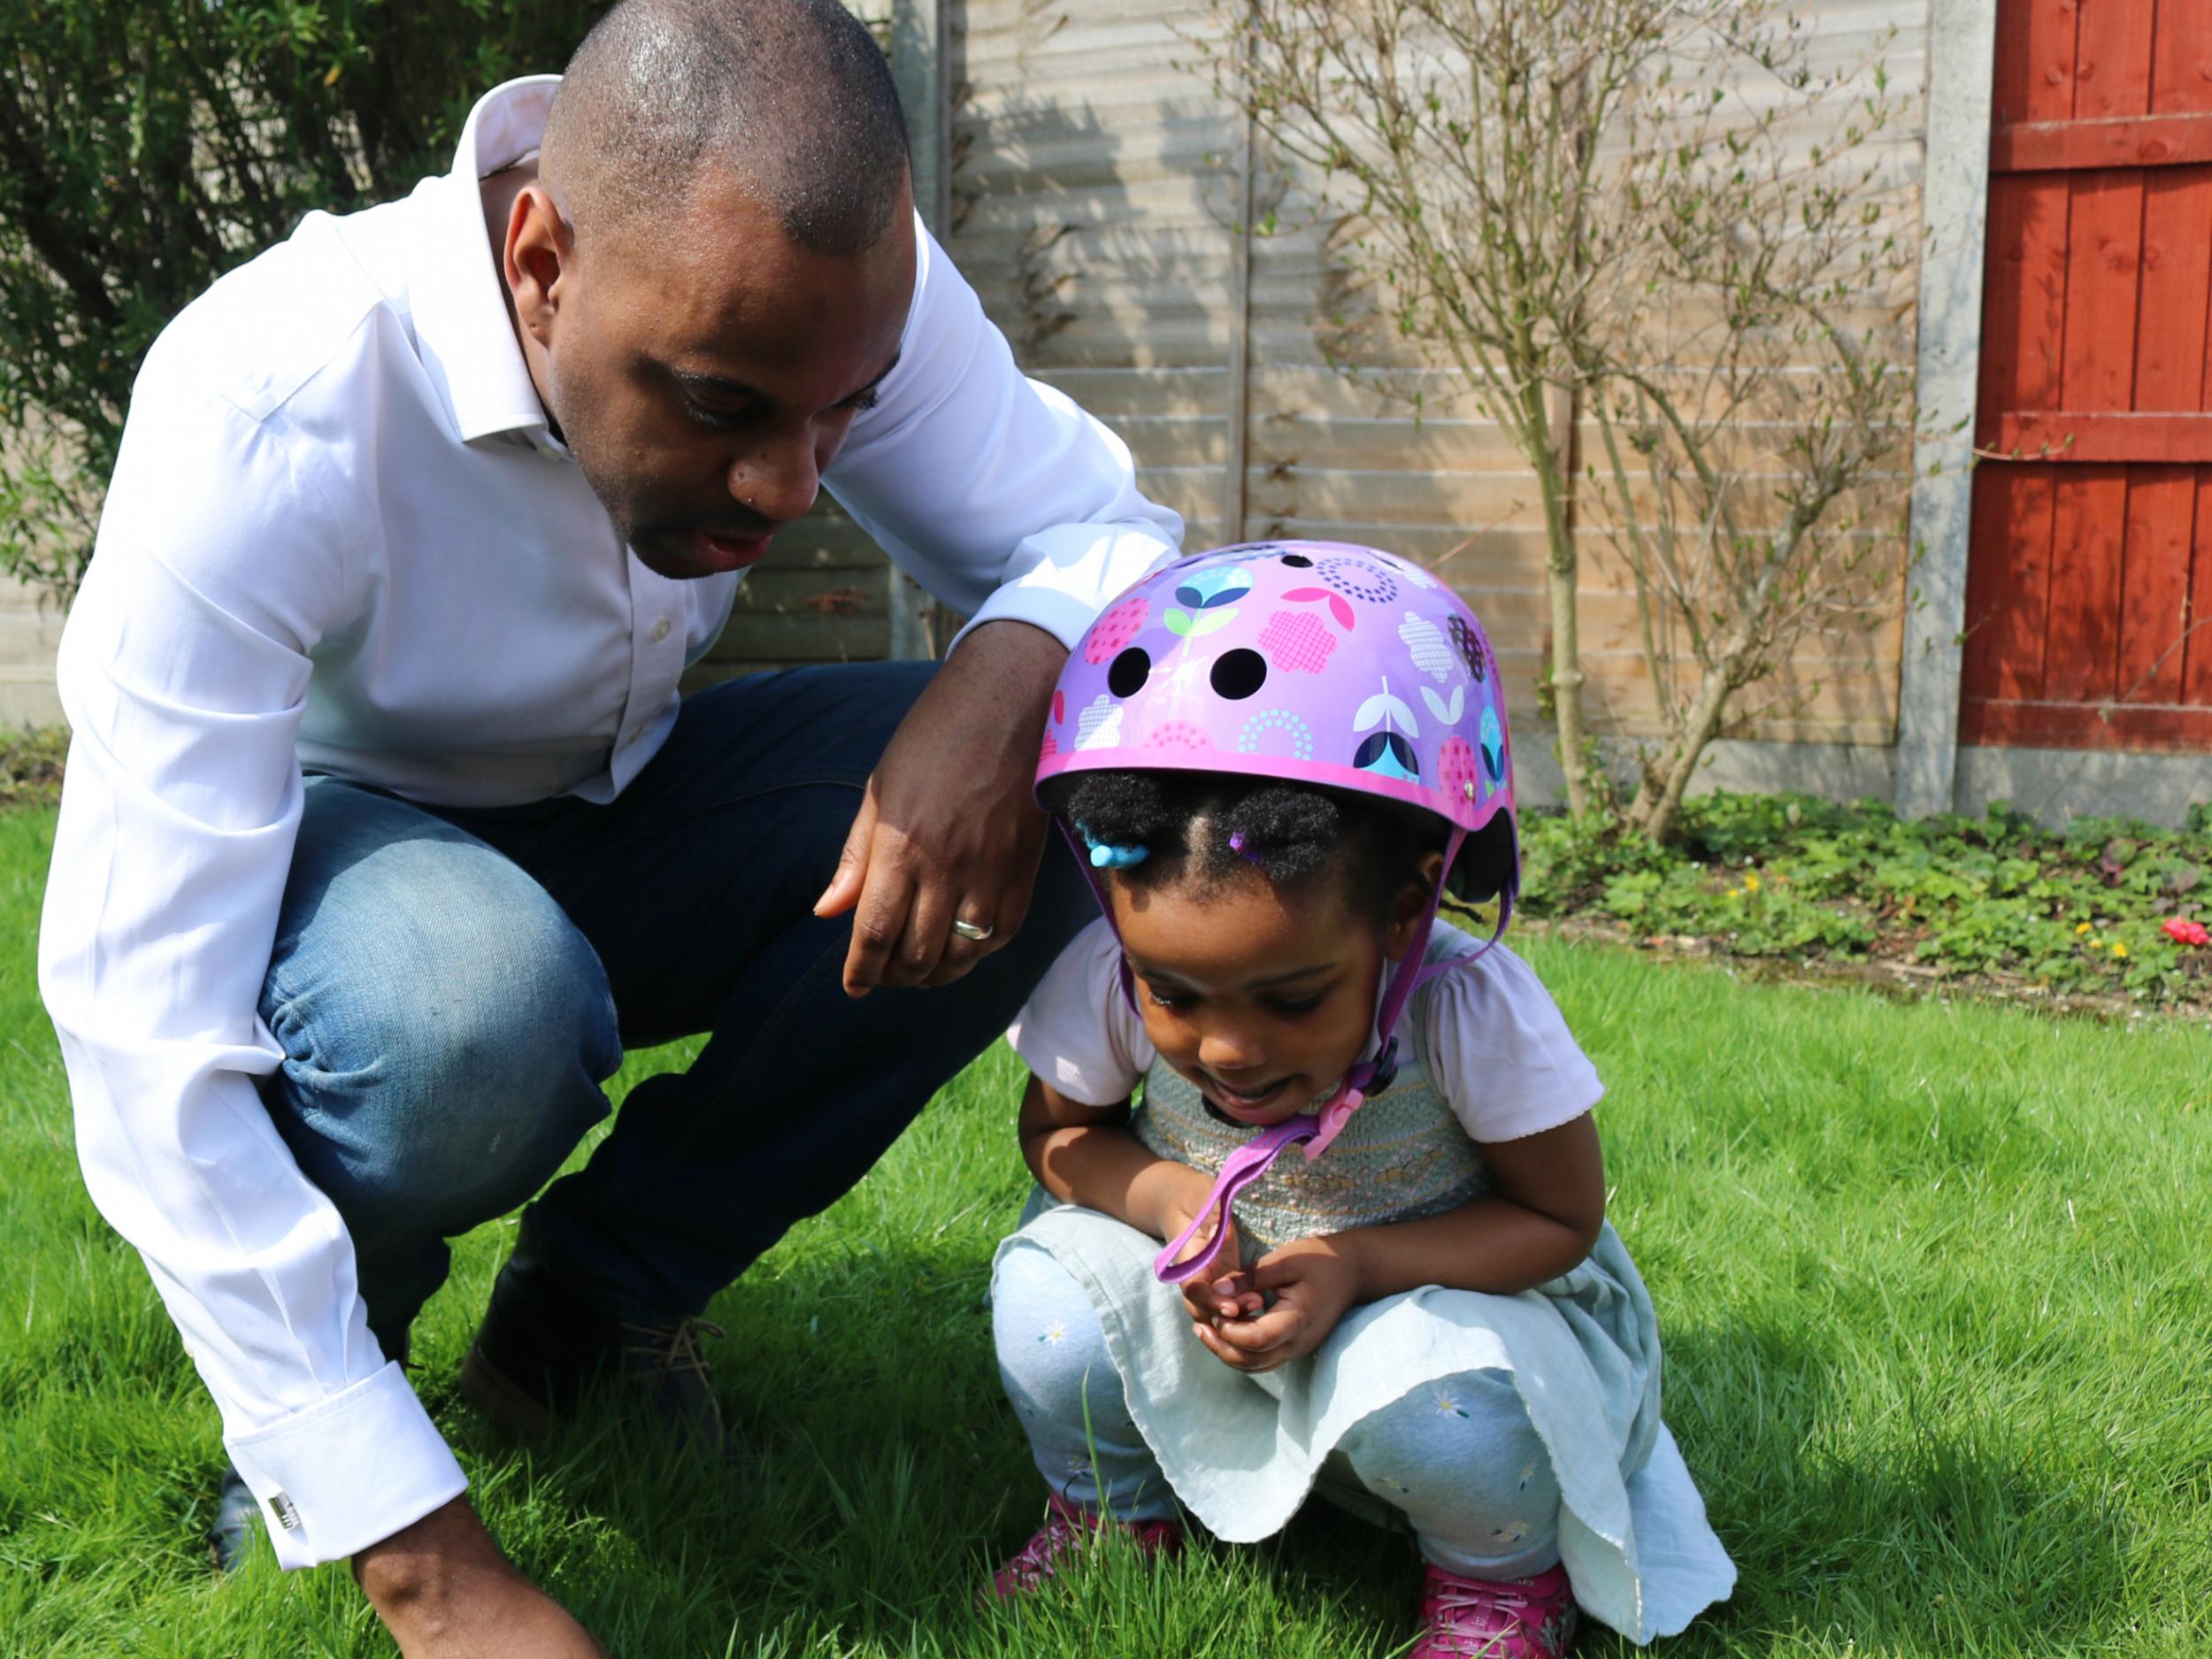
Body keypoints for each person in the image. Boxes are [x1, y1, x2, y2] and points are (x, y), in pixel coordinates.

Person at [35, 0, 1179, 1651]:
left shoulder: (836, 291)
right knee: (465, 1014)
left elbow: (1109, 530)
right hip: (358, 872)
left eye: (840, 413)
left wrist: (1001, 683)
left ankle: (592, 1310)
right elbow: (139, 1026)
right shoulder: (269, 398)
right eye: (722, 406)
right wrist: (426, 1569)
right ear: (542, 260)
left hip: (628, 798)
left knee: (1080, 780)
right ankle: (329, 1399)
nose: (794, 488)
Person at [985, 542, 1736, 1655]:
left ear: (1400, 914)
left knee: (1451, 1408)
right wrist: (1168, 1198)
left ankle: (1498, 1579)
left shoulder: (1464, 1008)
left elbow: (1557, 1223)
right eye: (1175, 993)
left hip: (1433, 1316)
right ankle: (1116, 1516)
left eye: (1292, 998)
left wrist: (1357, 1265)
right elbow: (1057, 1137)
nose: (1228, 1048)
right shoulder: (1106, 975)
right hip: (1225, 1313)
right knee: (1047, 1300)